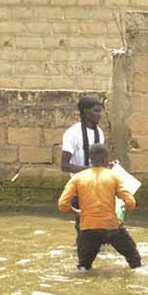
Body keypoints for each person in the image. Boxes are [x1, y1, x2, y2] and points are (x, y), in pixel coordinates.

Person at [56, 143, 141, 270]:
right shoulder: (114, 176)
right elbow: (131, 203)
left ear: (90, 159)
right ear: (106, 159)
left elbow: (62, 205)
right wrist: (119, 213)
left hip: (88, 229)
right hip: (111, 227)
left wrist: (77, 211)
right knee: (135, 262)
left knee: (83, 268)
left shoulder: (78, 178)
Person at [59, 94, 108, 230]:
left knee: (100, 226)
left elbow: (99, 162)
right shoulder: (72, 134)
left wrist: (108, 166)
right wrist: (88, 170)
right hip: (80, 188)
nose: (100, 115)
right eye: (96, 111)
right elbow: (64, 165)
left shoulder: (99, 133)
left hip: (98, 187)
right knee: (84, 227)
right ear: (86, 112)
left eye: (100, 111)